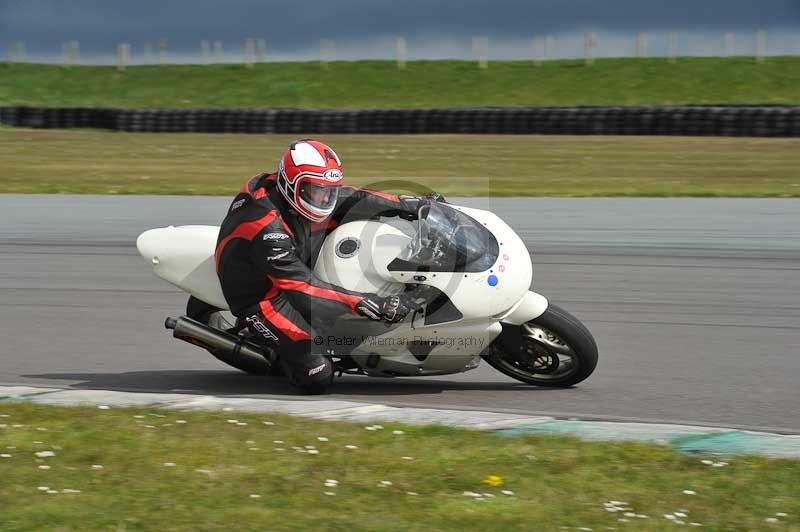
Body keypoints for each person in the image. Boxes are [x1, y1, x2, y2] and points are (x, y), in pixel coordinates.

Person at [215, 139, 427, 394]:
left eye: (329, 190)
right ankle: (276, 354)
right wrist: (364, 301)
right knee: (317, 374)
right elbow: (301, 285)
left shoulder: (299, 197)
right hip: (264, 296)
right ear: (290, 185)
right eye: (316, 191)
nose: (325, 199)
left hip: (293, 258)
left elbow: (353, 197)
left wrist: (407, 204)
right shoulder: (266, 227)